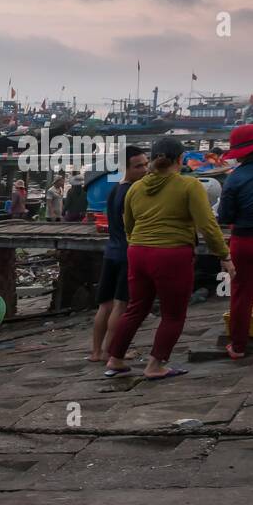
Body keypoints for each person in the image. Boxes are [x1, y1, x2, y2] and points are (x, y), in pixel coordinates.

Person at [105, 137, 234, 380]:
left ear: (153, 159)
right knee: (173, 313)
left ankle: (115, 359)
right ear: (180, 159)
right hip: (172, 253)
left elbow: (128, 225)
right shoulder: (189, 185)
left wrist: (139, 243)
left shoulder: (135, 188)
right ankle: (155, 365)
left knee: (135, 308)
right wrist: (224, 255)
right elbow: (207, 225)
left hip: (138, 252)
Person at [218, 124, 253, 359]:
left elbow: (225, 217)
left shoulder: (234, 178)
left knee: (242, 294)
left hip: (244, 242)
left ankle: (238, 347)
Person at [89, 147, 149, 363]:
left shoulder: (115, 190)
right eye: (139, 166)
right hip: (126, 253)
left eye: (145, 164)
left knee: (105, 305)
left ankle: (96, 352)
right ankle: (110, 351)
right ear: (126, 168)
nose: (145, 169)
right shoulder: (131, 192)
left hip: (111, 251)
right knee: (120, 304)